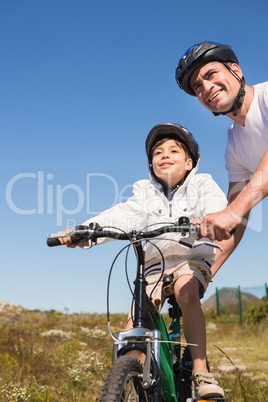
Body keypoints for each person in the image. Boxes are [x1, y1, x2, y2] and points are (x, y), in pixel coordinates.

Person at [58, 123, 227, 399]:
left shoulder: (202, 184)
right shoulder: (144, 194)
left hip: (191, 259)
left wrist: (213, 220)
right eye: (158, 152)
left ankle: (200, 369)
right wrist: (83, 231)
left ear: (189, 163)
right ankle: (133, 370)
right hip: (154, 266)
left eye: (173, 150)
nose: (164, 155)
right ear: (151, 164)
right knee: (135, 318)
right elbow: (120, 216)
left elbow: (215, 205)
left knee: (186, 291)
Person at [175, 41, 268, 252]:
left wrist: (231, 213)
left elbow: (234, 212)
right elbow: (236, 221)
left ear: (235, 70)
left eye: (211, 74)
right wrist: (199, 275)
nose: (206, 88)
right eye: (198, 86)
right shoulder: (234, 145)